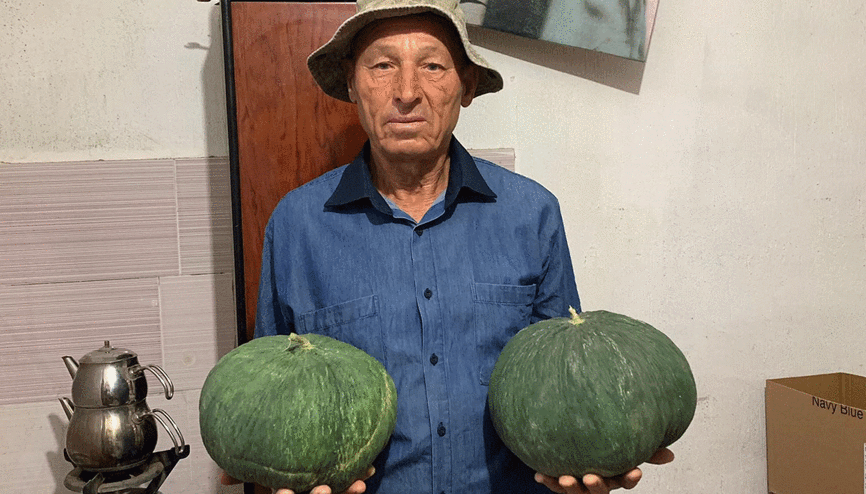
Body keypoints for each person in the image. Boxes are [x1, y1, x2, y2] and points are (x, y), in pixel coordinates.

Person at [225, 0, 674, 493]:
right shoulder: (297, 224)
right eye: (382, 66)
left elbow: (564, 379)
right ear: (353, 85)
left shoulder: (531, 213)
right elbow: (270, 394)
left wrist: (592, 456)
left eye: (433, 66)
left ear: (467, 87)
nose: (407, 93)